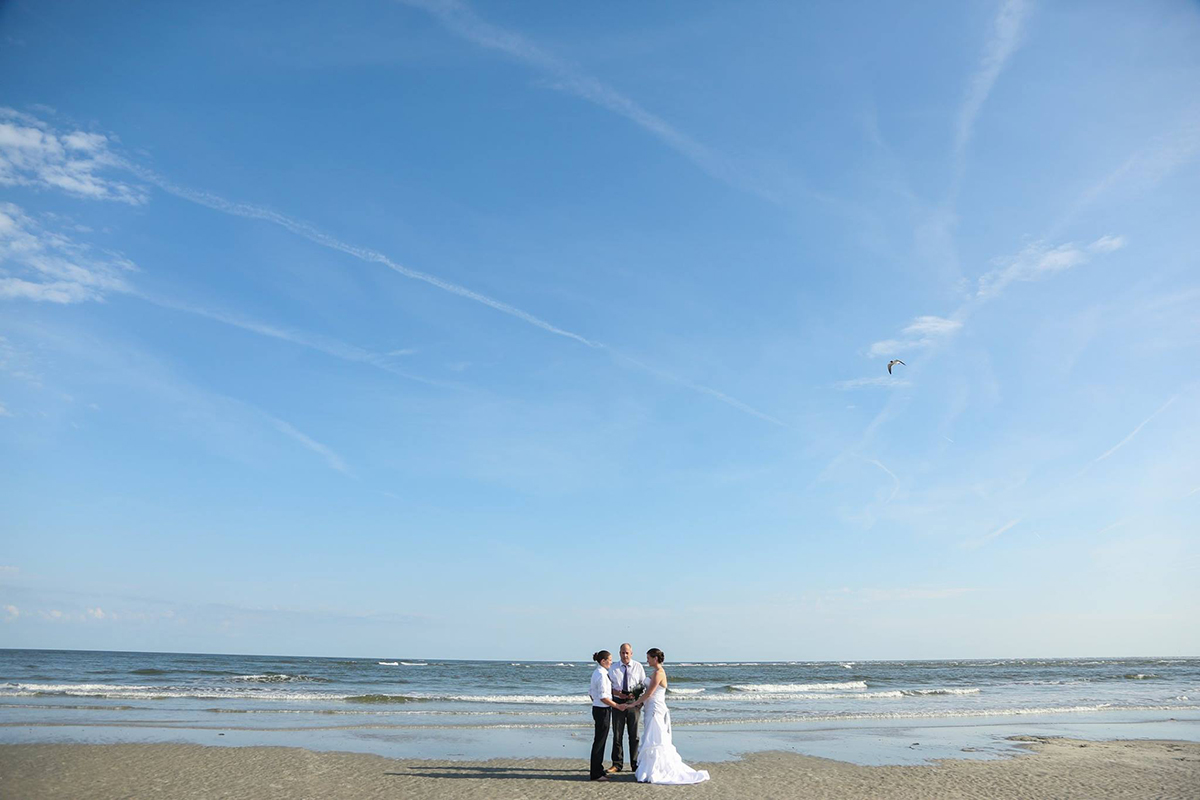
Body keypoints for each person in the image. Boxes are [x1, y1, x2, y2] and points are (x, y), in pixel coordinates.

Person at [630, 648, 709, 784]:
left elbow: (649, 693)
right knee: (651, 736)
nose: (647, 660)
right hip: (650, 708)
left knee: (655, 738)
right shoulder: (655, 672)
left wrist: (634, 704)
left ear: (655, 659)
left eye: (648, 658)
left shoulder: (659, 673)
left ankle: (656, 769)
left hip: (655, 708)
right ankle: (649, 769)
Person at [588, 650, 628, 782]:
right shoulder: (601, 674)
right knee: (599, 741)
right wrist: (617, 706)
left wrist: (616, 694)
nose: (611, 662)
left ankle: (598, 770)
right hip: (602, 710)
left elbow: (592, 693)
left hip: (599, 708)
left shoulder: (598, 673)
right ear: (603, 661)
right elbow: (603, 697)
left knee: (600, 740)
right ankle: (596, 774)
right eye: (610, 660)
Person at [607, 642, 647, 774]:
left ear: (631, 653)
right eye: (623, 653)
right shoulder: (613, 668)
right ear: (620, 654)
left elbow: (643, 685)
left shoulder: (638, 666)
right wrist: (618, 693)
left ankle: (635, 764)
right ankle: (617, 764)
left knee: (634, 735)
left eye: (627, 653)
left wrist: (633, 694)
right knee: (617, 735)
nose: (625, 655)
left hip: (633, 703)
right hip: (618, 703)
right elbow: (607, 687)